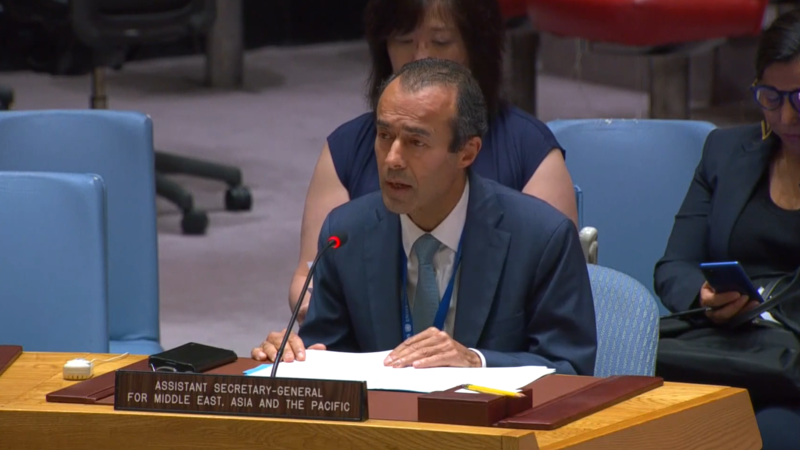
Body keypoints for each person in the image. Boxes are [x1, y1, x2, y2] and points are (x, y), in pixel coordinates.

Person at [253, 58, 597, 375]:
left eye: (415, 142)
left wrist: (476, 361)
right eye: (384, 136)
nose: (392, 159)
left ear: (467, 152)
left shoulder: (540, 238)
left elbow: (570, 368)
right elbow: (328, 353)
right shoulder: (345, 234)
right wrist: (294, 357)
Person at [289, 0, 578, 322]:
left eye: (440, 42)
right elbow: (309, 277)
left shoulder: (529, 149)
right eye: (403, 40)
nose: (420, 57)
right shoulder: (347, 148)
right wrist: (322, 310)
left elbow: (554, 297)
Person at [654, 10, 800, 449]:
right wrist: (704, 296)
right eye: (770, 97)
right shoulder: (725, 151)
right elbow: (673, 266)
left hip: (791, 367)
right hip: (724, 350)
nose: (786, 117)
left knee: (771, 433)